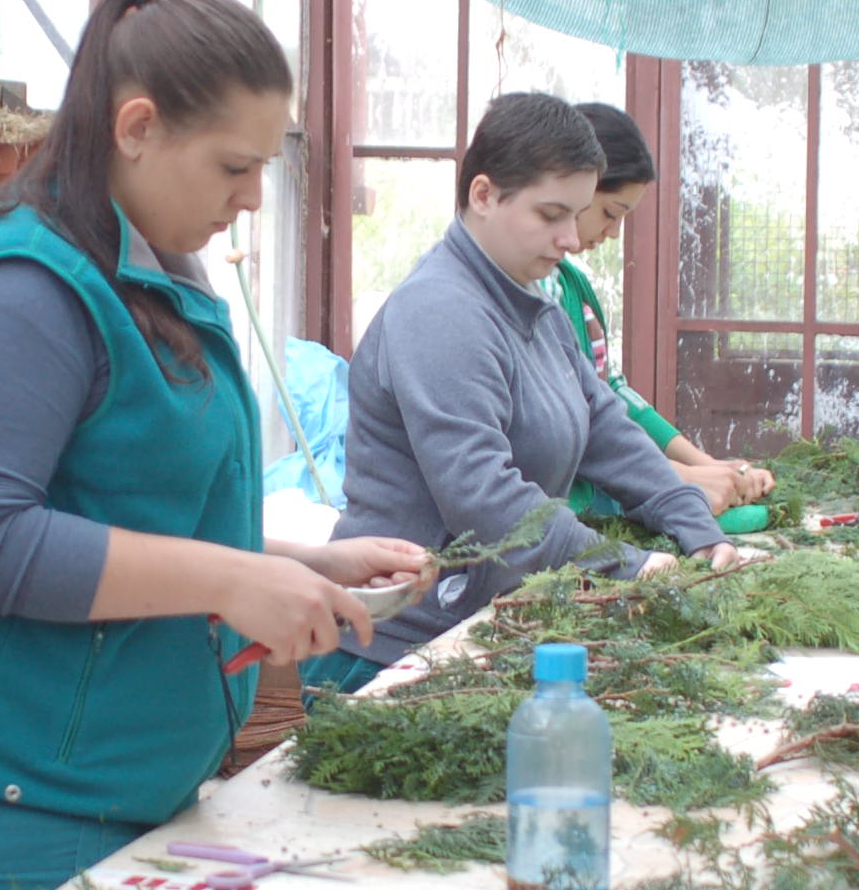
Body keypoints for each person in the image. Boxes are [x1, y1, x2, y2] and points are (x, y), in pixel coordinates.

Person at [0, 0, 427, 890]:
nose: (251, 197)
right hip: (3, 806)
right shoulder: (24, 292)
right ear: (136, 128)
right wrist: (234, 579)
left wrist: (295, 561)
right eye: (233, 166)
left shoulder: (146, 265)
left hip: (105, 791)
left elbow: (121, 504)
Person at [323, 93, 738, 689]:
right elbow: (482, 495)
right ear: (484, 194)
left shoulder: (532, 302)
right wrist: (630, 565)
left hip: (476, 630)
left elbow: (604, 425)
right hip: (392, 650)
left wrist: (692, 523)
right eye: (551, 215)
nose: (572, 237)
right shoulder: (440, 312)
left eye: (577, 214)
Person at [561, 102, 774, 517]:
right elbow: (567, 428)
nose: (612, 233)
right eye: (610, 213)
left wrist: (704, 465)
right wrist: (676, 477)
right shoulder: (522, 293)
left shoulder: (574, 285)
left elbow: (609, 395)